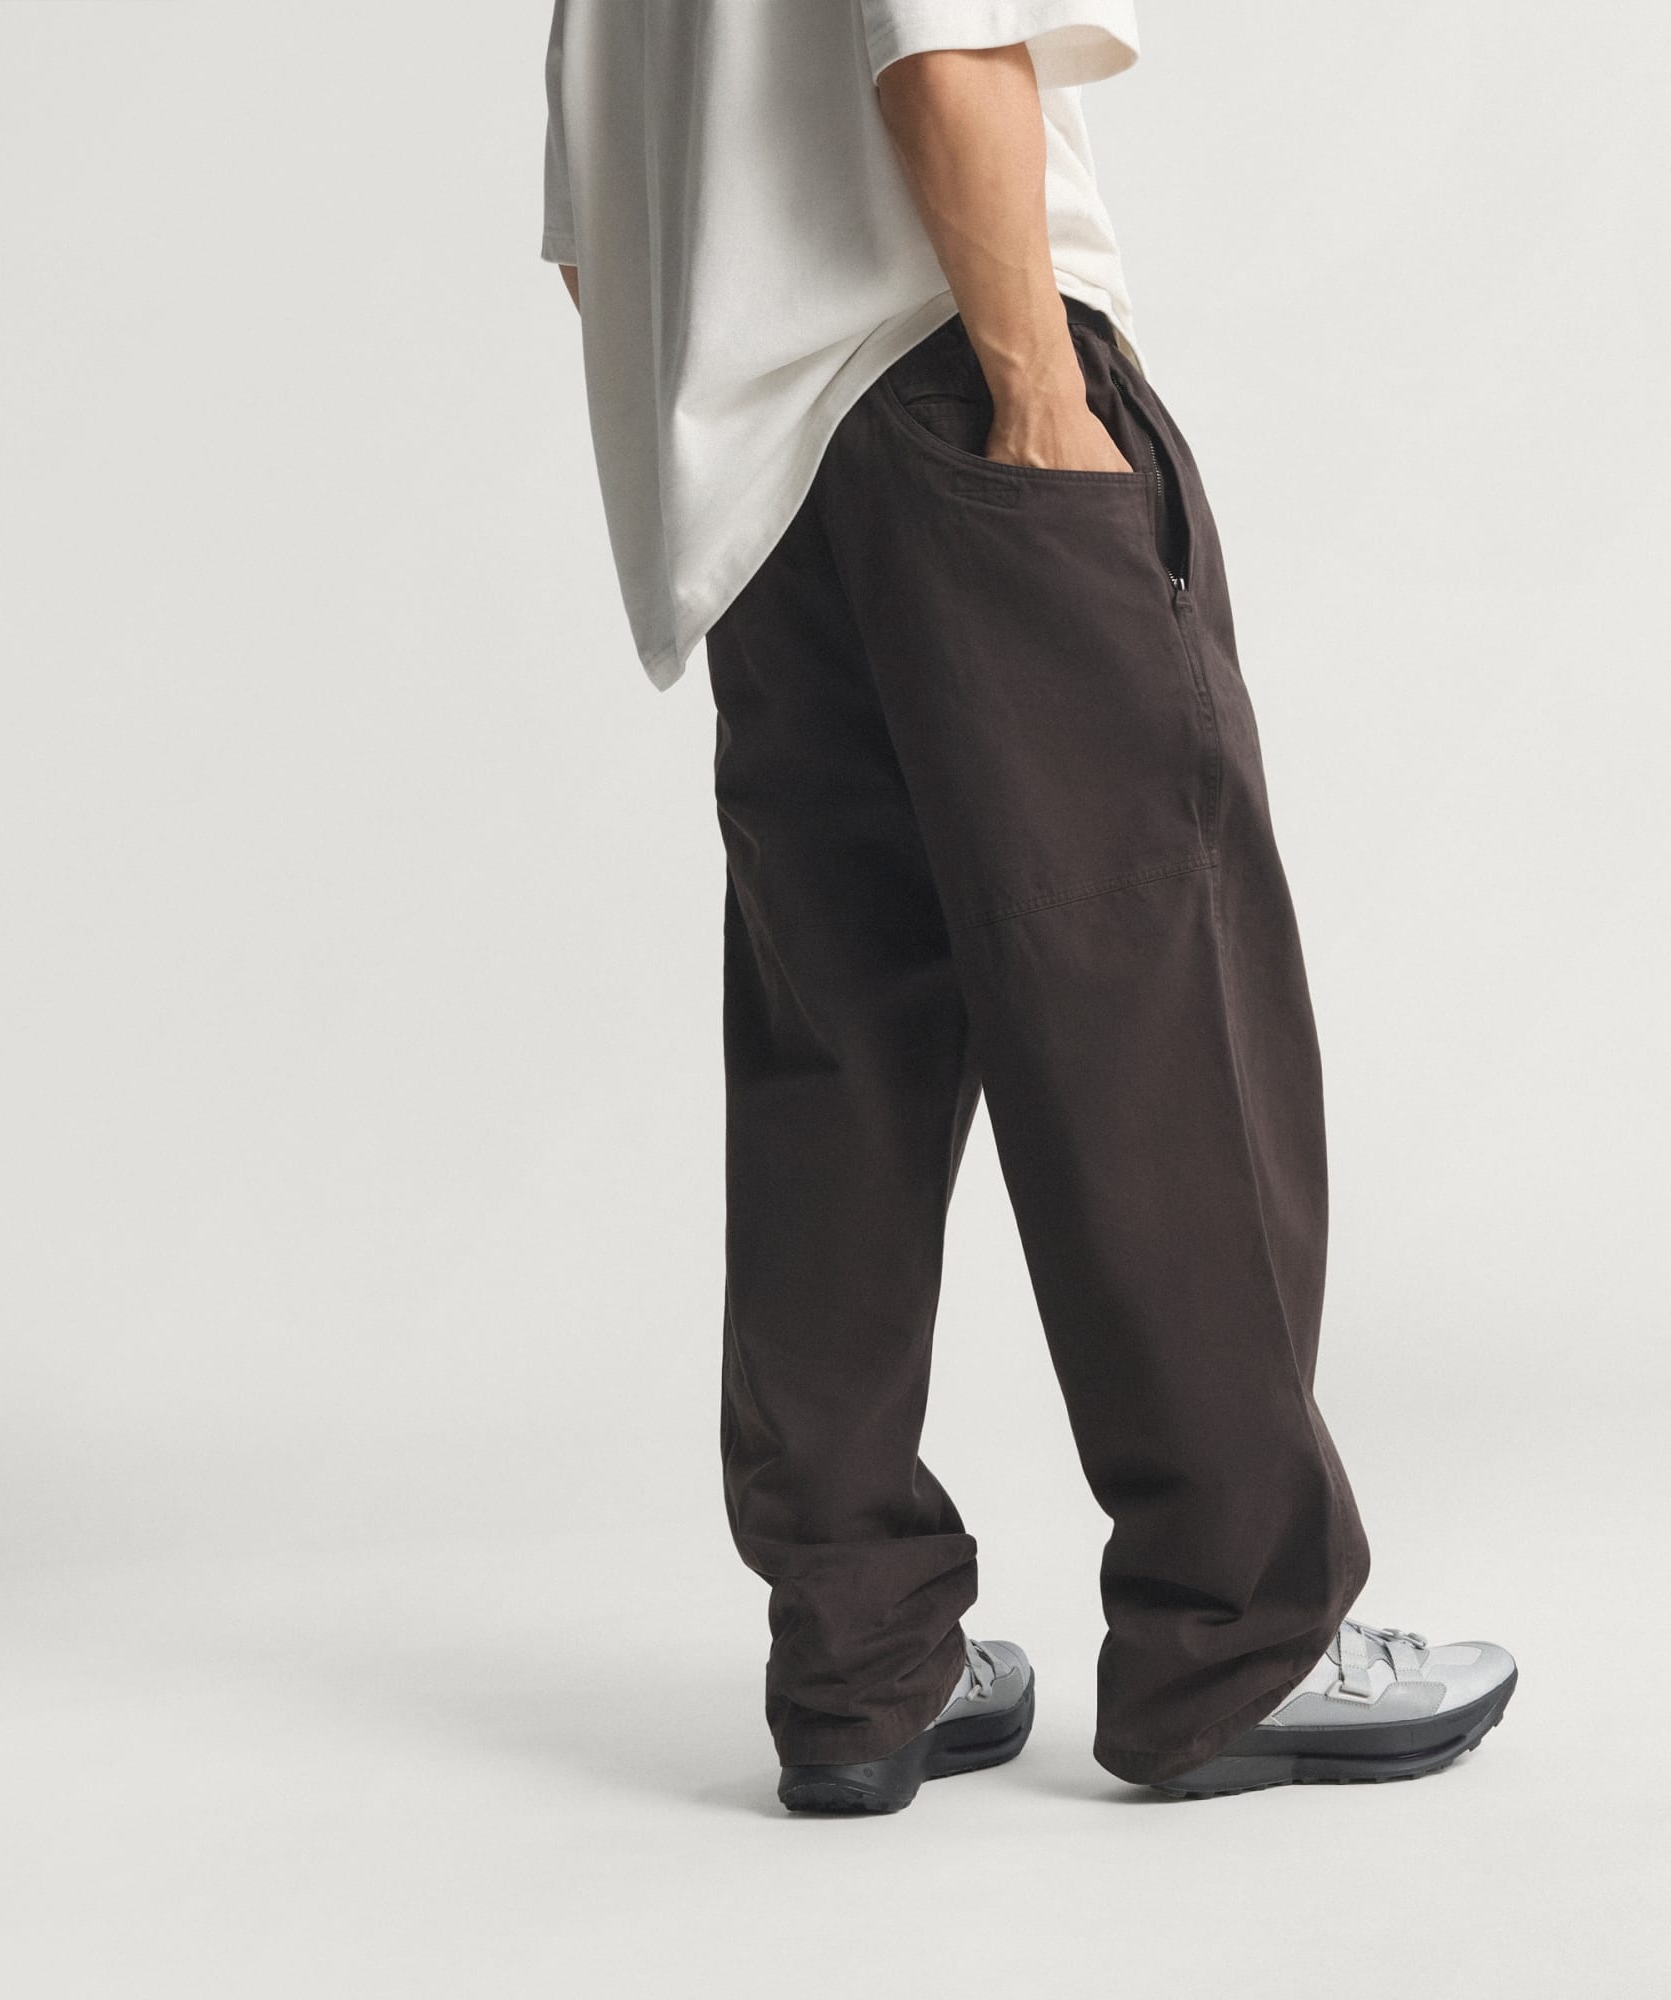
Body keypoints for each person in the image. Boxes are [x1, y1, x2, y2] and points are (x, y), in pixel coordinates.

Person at [540, 0, 1516, 1811]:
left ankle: (859, 1658)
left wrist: (725, 476)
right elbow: (943, 42)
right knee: (1155, 1002)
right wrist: (1042, 397)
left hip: (761, 494)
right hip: (960, 386)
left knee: (837, 1053)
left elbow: (595, 232)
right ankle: (1241, 1636)